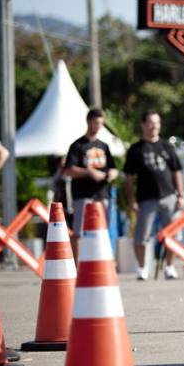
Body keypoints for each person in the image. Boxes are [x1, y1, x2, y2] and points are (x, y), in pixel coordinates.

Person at [124, 110, 184, 280]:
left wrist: (180, 195)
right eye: (151, 123)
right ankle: (142, 268)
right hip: (146, 199)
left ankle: (170, 267)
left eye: (157, 123)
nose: (154, 126)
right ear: (143, 124)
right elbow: (128, 178)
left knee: (172, 234)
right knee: (141, 236)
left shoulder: (167, 146)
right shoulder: (136, 149)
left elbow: (176, 172)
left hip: (169, 197)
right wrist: (132, 200)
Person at [63, 108, 118, 259]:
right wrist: (88, 172)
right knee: (79, 231)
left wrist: (112, 174)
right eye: (96, 122)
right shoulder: (78, 146)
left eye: (101, 123)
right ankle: (78, 267)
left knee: (103, 230)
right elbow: (68, 170)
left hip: (102, 193)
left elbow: (113, 168)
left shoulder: (104, 146)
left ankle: (101, 262)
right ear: (89, 122)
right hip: (83, 194)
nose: (99, 126)